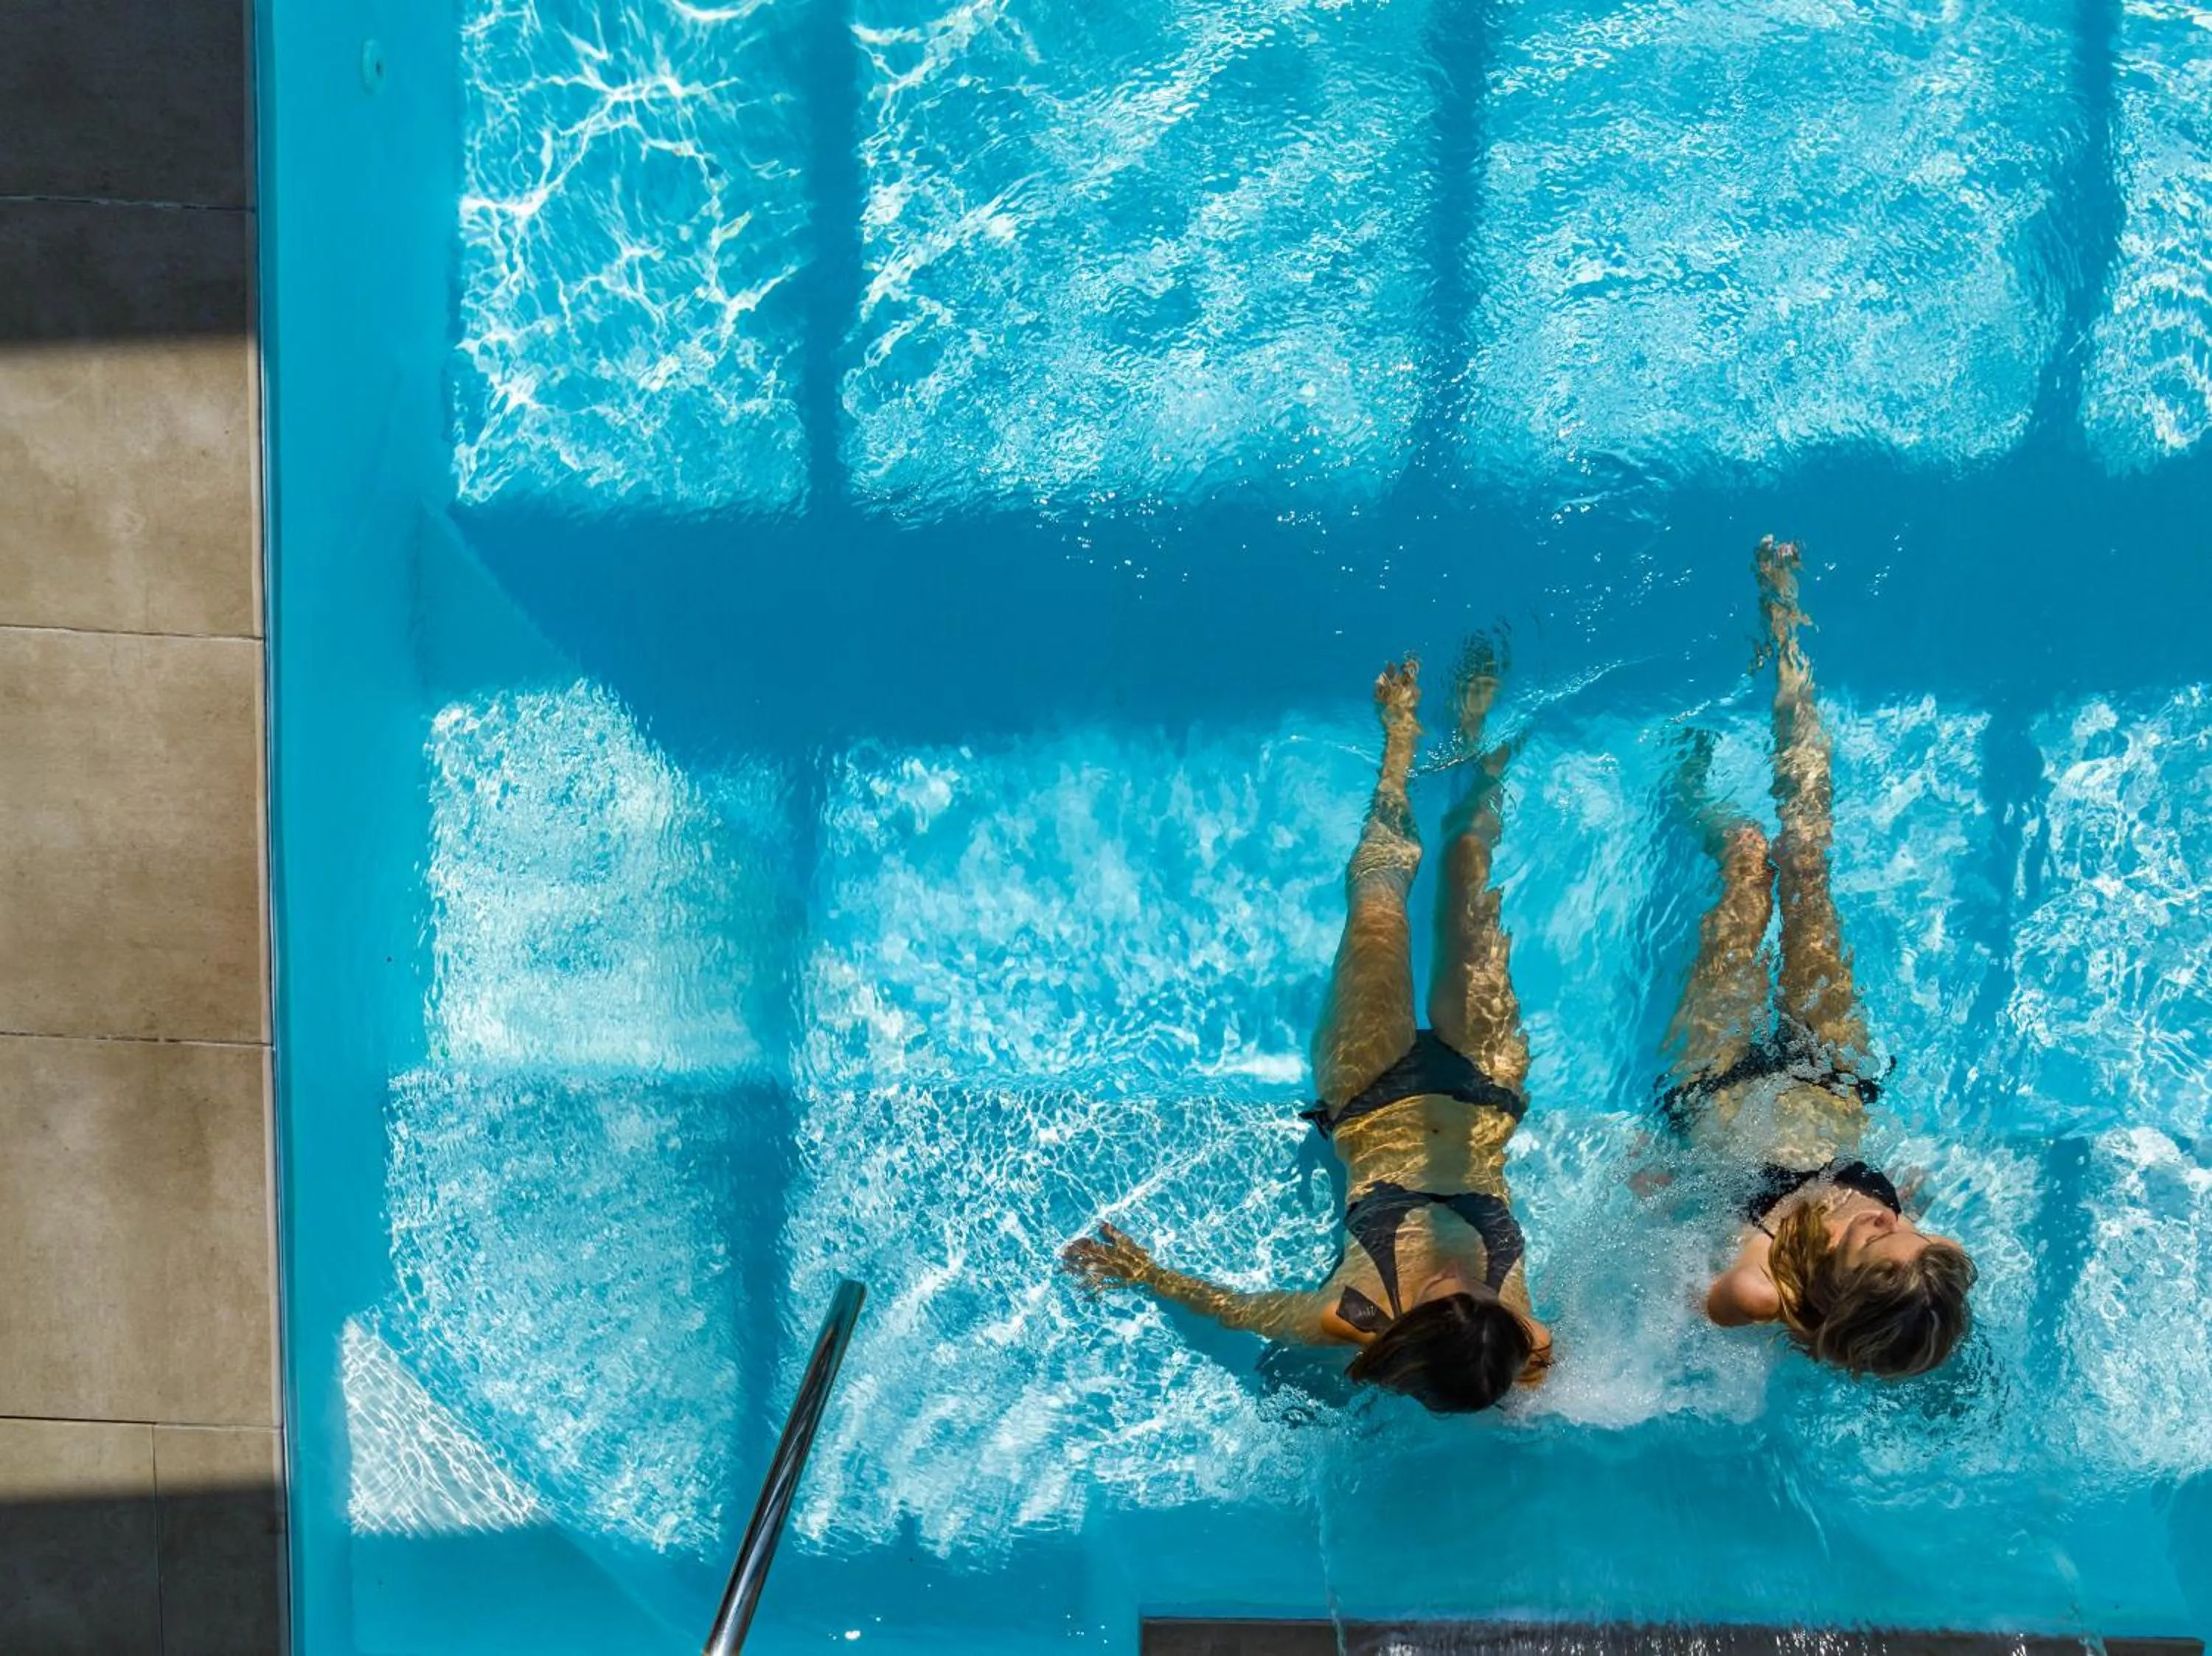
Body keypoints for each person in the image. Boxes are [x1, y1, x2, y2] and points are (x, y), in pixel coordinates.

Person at [1062, 646, 1551, 1413]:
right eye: (1478, 1295)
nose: (1460, 1278)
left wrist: (1148, 1275)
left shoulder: (1352, 1309)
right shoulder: (1526, 1338)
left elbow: (1245, 1308)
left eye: (1440, 1295)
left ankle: (1399, 747)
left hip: (1369, 1092)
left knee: (1380, 906)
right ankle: (1480, 742)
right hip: (1486, 1087)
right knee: (1469, 867)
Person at [1662, 537, 1975, 1379]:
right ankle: (1787, 635)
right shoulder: (1921, 1252)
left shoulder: (1766, 1288)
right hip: (1833, 1071)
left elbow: (1696, 1300)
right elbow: (1919, 1245)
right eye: (1910, 1236)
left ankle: (1685, 794)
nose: (1891, 1227)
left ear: (1839, 1294)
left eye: (1884, 1252)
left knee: (1743, 856)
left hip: (1716, 1079)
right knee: (1805, 859)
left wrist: (1668, 1196)